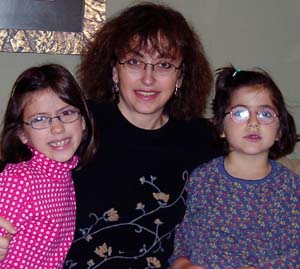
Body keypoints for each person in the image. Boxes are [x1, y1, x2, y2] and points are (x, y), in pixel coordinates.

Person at [0, 3, 220, 268]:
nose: (147, 79)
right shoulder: (77, 126)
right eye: (135, 61)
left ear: (181, 76)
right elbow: (15, 169)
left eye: (163, 64)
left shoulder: (201, 140)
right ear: (114, 71)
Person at [170, 66, 300, 269]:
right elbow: (185, 233)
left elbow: (296, 252)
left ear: (279, 131)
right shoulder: (202, 178)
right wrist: (181, 262)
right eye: (240, 113)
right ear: (220, 126)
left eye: (265, 114)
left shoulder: (291, 187)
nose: (253, 122)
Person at [0, 64, 96, 268]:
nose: (58, 127)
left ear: (84, 121)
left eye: (67, 113)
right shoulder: (18, 180)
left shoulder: (65, 177)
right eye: (40, 119)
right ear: (22, 134)